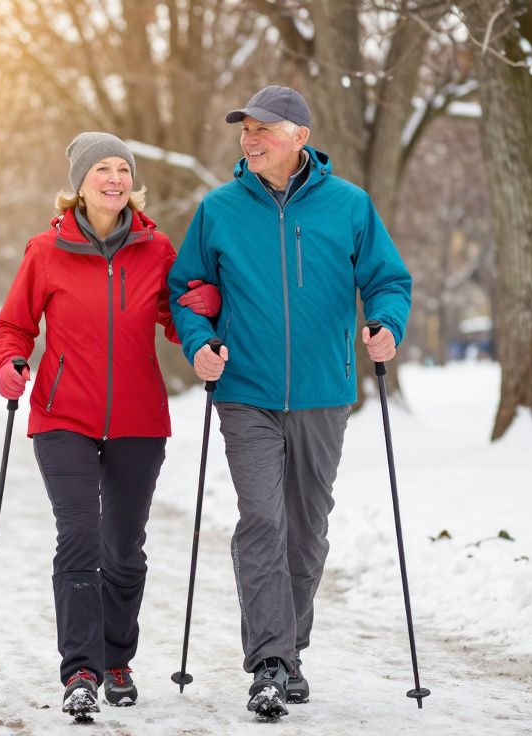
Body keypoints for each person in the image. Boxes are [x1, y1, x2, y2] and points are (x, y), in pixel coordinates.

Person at [167, 85, 413, 719]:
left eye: (264, 129)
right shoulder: (219, 209)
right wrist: (199, 342)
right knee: (262, 521)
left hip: (323, 394)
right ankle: (270, 662)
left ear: (300, 136)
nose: (250, 140)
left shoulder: (349, 206)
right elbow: (191, 289)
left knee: (306, 531)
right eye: (245, 130)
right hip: (245, 391)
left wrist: (385, 325)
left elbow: (387, 279)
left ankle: (289, 652)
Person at [0, 132, 220, 720]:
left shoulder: (157, 248)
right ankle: (81, 672)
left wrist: (201, 312)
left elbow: (176, 320)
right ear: (80, 182)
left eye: (123, 169)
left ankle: (117, 660)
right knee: (80, 537)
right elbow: (15, 326)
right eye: (103, 169)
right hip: (62, 415)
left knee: (123, 549)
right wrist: (9, 363)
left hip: (138, 420)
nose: (115, 178)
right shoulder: (45, 250)